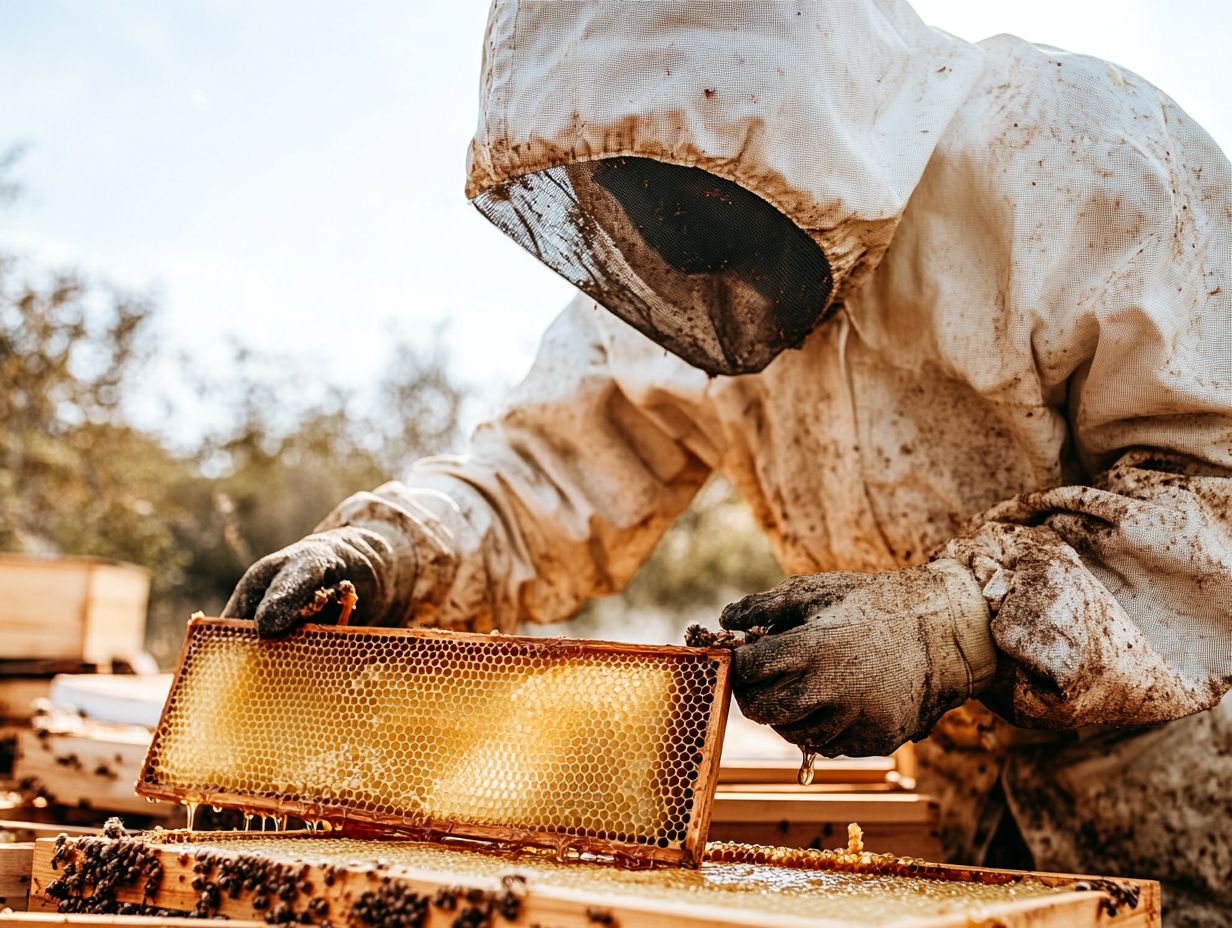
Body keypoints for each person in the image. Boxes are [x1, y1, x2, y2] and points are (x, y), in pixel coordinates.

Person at [224, 1, 1231, 922]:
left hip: (1183, 787)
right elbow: (547, 472)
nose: (679, 250)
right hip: (958, 806)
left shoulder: (1079, 157)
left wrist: (957, 623)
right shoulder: (664, 288)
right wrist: (399, 545)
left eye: (697, 190)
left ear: (800, 106)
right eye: (627, 189)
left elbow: (1215, 487)